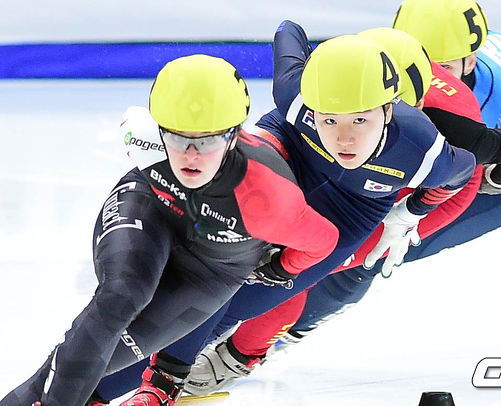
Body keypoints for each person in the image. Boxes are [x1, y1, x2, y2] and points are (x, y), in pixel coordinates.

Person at [181, 0, 501, 393]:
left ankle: (245, 351)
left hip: (489, 172)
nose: (438, 71)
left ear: (471, 58)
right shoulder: (375, 64)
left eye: (444, 64)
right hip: (431, 155)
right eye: (426, 58)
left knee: (355, 262)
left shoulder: (464, 122)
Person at [83, 20, 478, 404]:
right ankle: (101, 388)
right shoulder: (296, 94)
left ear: (395, 111)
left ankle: (149, 379)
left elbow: (473, 173)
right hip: (290, 154)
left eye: (362, 119)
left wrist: (410, 212)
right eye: (330, 116)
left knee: (236, 305)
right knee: (204, 287)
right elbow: (289, 29)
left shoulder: (426, 147)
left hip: (348, 211)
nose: (345, 138)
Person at [0, 54, 340, 406]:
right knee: (120, 298)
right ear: (159, 129)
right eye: (177, 138)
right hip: (150, 211)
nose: (191, 155)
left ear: (234, 136)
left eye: (207, 140)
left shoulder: (269, 198)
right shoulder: (142, 136)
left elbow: (325, 241)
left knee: (100, 359)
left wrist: (282, 267)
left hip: (210, 273)